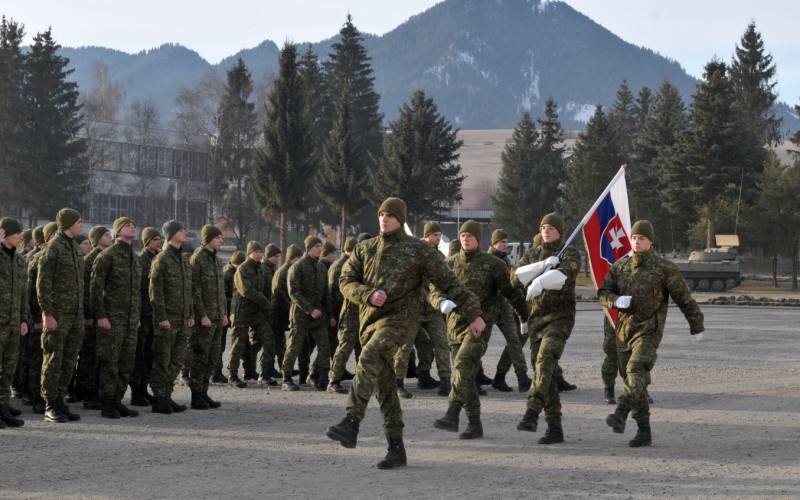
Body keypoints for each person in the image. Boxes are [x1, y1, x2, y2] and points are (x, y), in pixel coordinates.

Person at [326, 197, 484, 469]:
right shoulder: (365, 249)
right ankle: (396, 449)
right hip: (369, 322)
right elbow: (345, 281)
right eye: (381, 214)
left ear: (400, 219)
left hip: (399, 321)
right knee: (386, 389)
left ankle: (352, 421)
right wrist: (367, 294)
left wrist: (474, 313)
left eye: (390, 215)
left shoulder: (419, 250)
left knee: (370, 355)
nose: (384, 218)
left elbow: (449, 283)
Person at [599, 220, 704, 447]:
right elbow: (603, 291)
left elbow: (684, 298)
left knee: (635, 370)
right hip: (623, 333)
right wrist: (614, 300)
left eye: (642, 238)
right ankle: (644, 430)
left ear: (651, 241)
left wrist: (696, 325)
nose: (637, 242)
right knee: (633, 381)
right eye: (634, 238)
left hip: (648, 331)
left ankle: (621, 411)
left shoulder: (664, 268)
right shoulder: (621, 267)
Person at [433, 220, 529, 440]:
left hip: (479, 326)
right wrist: (439, 301)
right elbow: (434, 288)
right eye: (463, 235)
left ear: (478, 239)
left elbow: (510, 292)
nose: (466, 239)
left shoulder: (494, 264)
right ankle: (475, 424)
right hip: (454, 325)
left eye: (470, 236)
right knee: (465, 376)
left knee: (463, 365)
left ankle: (452, 412)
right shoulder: (450, 263)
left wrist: (524, 316)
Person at [512, 213, 581, 444]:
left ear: (560, 231)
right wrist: (541, 266)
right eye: (543, 227)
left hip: (559, 318)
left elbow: (565, 276)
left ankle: (532, 411)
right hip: (536, 320)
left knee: (544, 361)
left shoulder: (569, 252)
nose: (546, 231)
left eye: (551, 227)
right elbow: (515, 278)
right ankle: (554, 427)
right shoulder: (532, 254)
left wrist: (542, 280)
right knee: (546, 373)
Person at [37, 208, 86, 423]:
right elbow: (43, 283)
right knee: (54, 359)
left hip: (75, 315)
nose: (81, 224)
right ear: (67, 224)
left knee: (68, 361)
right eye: (78, 221)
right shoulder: (54, 248)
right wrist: (47, 313)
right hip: (58, 314)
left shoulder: (75, 248)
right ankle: (50, 404)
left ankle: (60, 400)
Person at [90, 217, 141, 419]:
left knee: (126, 363)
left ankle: (118, 400)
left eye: (134, 224)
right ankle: (107, 402)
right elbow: (95, 288)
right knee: (109, 362)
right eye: (128, 225)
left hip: (129, 320)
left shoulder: (134, 257)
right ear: (118, 231)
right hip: (112, 318)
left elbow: (136, 291)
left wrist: (135, 316)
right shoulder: (108, 255)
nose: (133, 226)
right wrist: (101, 315)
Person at [149, 219, 195, 414]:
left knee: (177, 360)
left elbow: (188, 290)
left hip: (183, 319)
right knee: (163, 359)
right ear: (171, 234)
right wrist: (162, 317)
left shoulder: (183, 259)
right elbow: (155, 292)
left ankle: (167, 395)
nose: (185, 232)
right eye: (181, 230)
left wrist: (190, 314)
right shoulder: (162, 259)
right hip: (167, 319)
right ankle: (159, 397)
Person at [281, 236, 334, 391]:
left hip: (319, 316)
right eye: (317, 245)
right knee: (294, 347)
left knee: (325, 346)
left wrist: (330, 315)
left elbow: (326, 294)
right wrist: (310, 310)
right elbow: (294, 292)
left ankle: (320, 375)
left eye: (321, 245)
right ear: (309, 248)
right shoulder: (297, 267)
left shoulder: (322, 268)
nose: (320, 248)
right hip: (301, 314)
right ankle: (286, 378)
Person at [188, 224, 228, 410]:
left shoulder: (216, 260)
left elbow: (221, 290)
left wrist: (224, 313)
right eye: (218, 237)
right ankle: (196, 395)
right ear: (208, 239)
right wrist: (202, 315)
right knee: (201, 356)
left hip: (217, 316)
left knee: (212, 357)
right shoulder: (198, 259)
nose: (221, 240)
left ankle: (204, 392)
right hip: (205, 318)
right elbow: (194, 291)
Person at [487, 229, 531, 393]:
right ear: (493, 243)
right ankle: (475, 375)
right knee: (479, 344)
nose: (505, 245)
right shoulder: (487, 260)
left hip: (504, 307)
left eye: (506, 242)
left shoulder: (505, 260)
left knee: (515, 340)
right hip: (489, 307)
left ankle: (521, 377)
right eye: (501, 242)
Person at [327, 234, 369, 394]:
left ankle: (362, 380)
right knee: (344, 347)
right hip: (351, 314)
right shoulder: (350, 264)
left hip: (363, 313)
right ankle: (333, 380)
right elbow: (342, 289)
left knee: (363, 348)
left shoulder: (366, 263)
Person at [76, 225, 113, 411]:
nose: (110, 237)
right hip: (92, 317)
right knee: (89, 356)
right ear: (97, 238)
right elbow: (86, 291)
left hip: (103, 315)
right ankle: (87, 393)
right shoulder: (90, 260)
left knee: (101, 356)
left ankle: (97, 391)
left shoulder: (106, 257)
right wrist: (89, 315)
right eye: (106, 235)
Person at [228, 242, 273, 388]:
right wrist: (266, 302)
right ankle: (232, 374)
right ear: (248, 254)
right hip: (241, 311)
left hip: (256, 311)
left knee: (268, 338)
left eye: (260, 252)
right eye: (256, 252)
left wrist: (267, 306)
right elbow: (246, 291)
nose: (259, 254)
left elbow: (266, 289)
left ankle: (264, 373)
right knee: (239, 343)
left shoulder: (260, 269)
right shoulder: (243, 269)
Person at [0, 218, 29, 428]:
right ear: (5, 233)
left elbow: (23, 294)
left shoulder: (20, 260)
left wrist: (23, 319)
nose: (21, 236)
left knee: (8, 368)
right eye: (18, 233)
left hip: (12, 322)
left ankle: (3, 407)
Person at [129, 227, 161, 406]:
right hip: (143, 313)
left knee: (150, 353)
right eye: (154, 239)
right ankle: (136, 392)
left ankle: (144, 388)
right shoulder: (141, 260)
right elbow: (139, 288)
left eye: (159, 239)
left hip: (154, 314)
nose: (158, 241)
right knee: (139, 355)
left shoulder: (158, 259)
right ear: (146, 241)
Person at [212, 250, 244, 384]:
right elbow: (222, 296)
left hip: (231, 312)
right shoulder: (227, 274)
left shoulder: (236, 273)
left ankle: (217, 371)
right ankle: (216, 372)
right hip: (225, 312)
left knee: (225, 343)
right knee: (219, 344)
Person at [271, 244, 302, 379]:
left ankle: (283, 367)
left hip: (283, 312)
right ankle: (268, 370)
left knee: (280, 342)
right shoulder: (284, 271)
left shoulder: (290, 269)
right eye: (298, 257)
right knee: (275, 342)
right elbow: (280, 293)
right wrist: (291, 306)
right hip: (277, 312)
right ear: (292, 258)